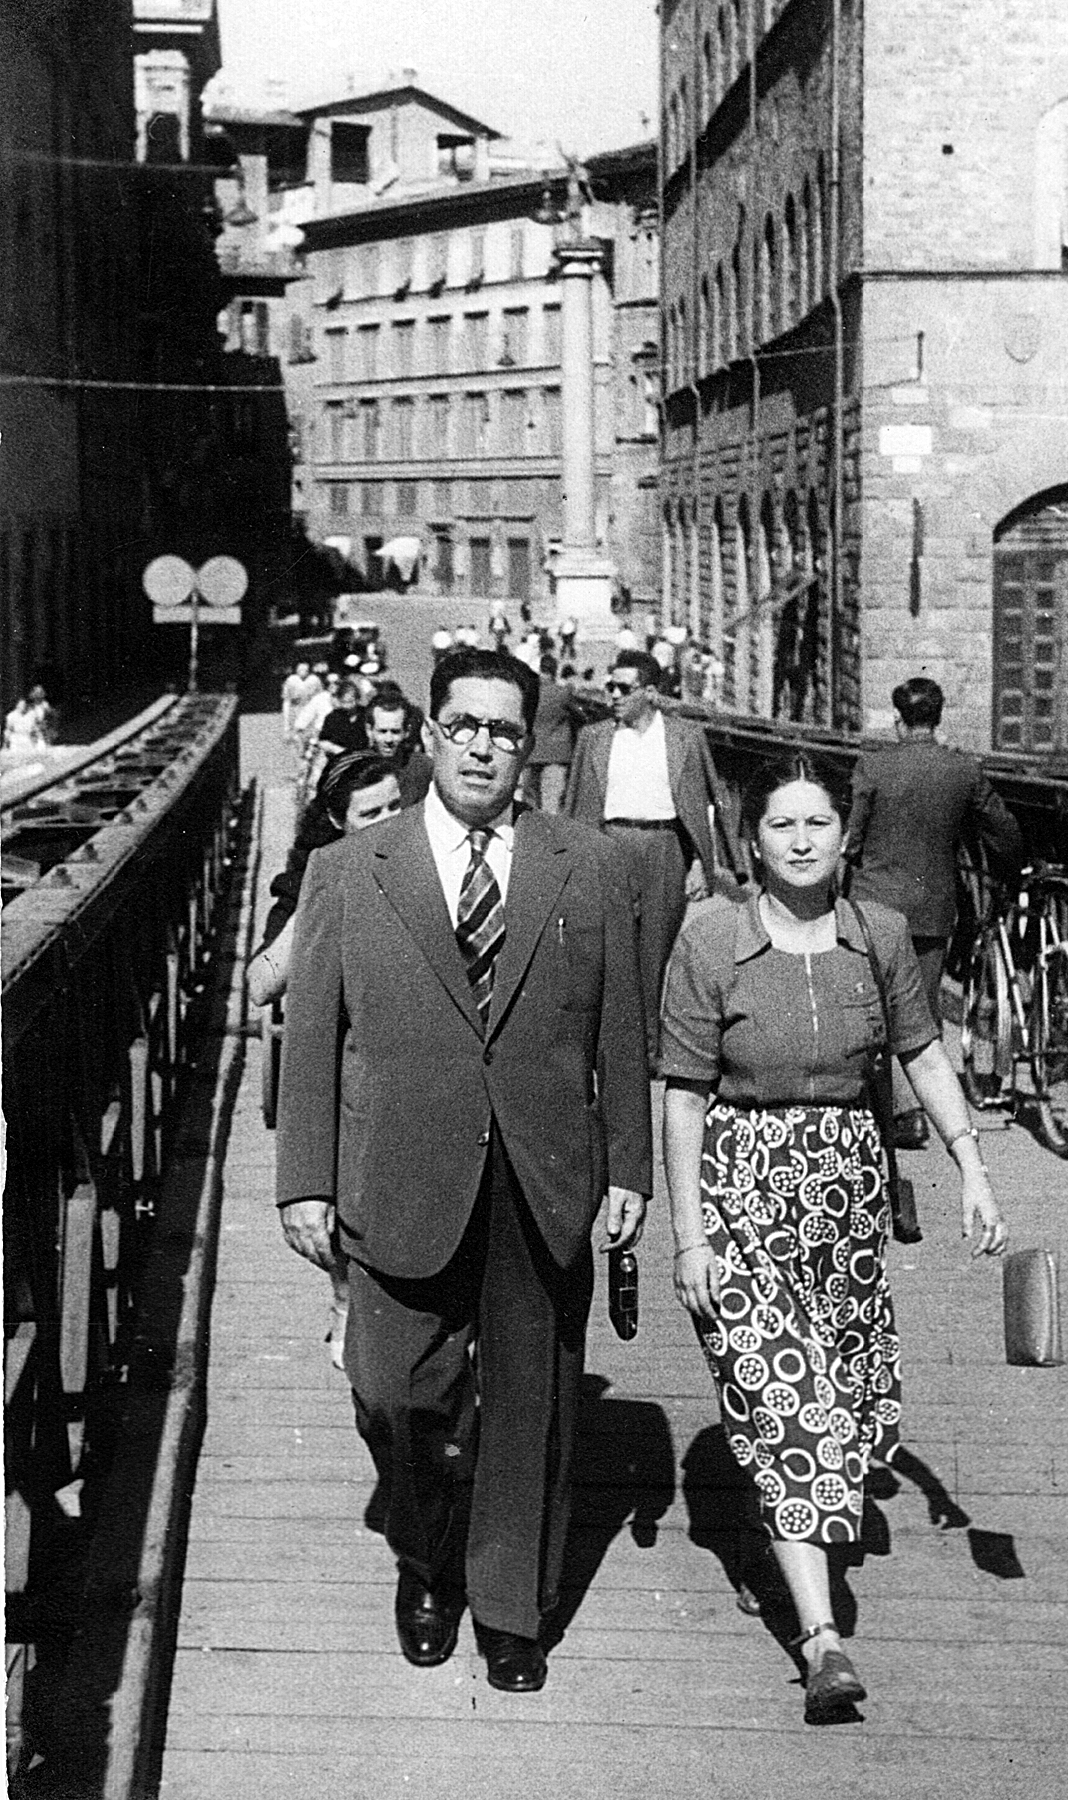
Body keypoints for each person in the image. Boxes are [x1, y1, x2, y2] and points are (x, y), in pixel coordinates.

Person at [275, 646, 652, 1694]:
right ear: (430, 735)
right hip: (394, 1168)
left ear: (529, 747)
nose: (483, 745)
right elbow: (312, 1034)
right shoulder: (352, 869)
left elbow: (622, 1032)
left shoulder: (590, 863)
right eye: (464, 725)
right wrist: (303, 1177)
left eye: (503, 729)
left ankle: (505, 1608)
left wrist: (629, 1167)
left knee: (531, 1399)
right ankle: (424, 1554)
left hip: (544, 1172)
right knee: (394, 1392)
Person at [660, 749, 1009, 1723]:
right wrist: (690, 1240)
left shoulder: (880, 936)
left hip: (847, 1198)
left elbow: (922, 1053)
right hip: (741, 1187)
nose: (803, 841)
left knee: (844, 1402)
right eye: (783, 826)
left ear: (844, 835)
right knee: (792, 1407)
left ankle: (759, 1534)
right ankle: (823, 1642)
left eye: (818, 824)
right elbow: (682, 1098)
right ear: (754, 842)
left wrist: (972, 1166)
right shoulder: (709, 940)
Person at [249, 752, 406, 1367]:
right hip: (347, 1066)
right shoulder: (320, 876)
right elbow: (260, 984)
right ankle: (344, 1298)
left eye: (398, 805)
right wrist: (312, 910)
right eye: (372, 813)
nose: (390, 820)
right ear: (340, 822)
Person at [844, 676, 1023, 1146]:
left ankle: (887, 1108)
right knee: (920, 1008)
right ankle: (921, 1109)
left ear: (899, 722)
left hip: (874, 905)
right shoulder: (963, 770)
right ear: (937, 719)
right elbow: (1001, 829)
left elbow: (852, 839)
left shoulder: (872, 767)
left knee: (874, 1002)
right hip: (932, 906)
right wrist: (1011, 871)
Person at [564, 648, 738, 1065]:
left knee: (654, 955)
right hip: (609, 845)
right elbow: (575, 803)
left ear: (650, 692)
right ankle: (607, 1045)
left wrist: (702, 862)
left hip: (663, 849)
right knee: (607, 949)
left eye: (623, 688)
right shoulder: (595, 738)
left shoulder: (684, 737)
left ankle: (649, 1049)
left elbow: (708, 803)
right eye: (610, 686)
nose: (613, 695)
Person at [518, 653, 578, 814]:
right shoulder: (563, 692)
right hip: (556, 753)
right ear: (555, 670)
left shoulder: (528, 693)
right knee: (551, 804)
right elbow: (579, 713)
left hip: (530, 752)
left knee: (529, 803)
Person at [364, 681, 432, 806]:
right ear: (369, 731)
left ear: (407, 731)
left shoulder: (423, 768)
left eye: (395, 732)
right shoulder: (355, 767)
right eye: (382, 731)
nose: (388, 739)